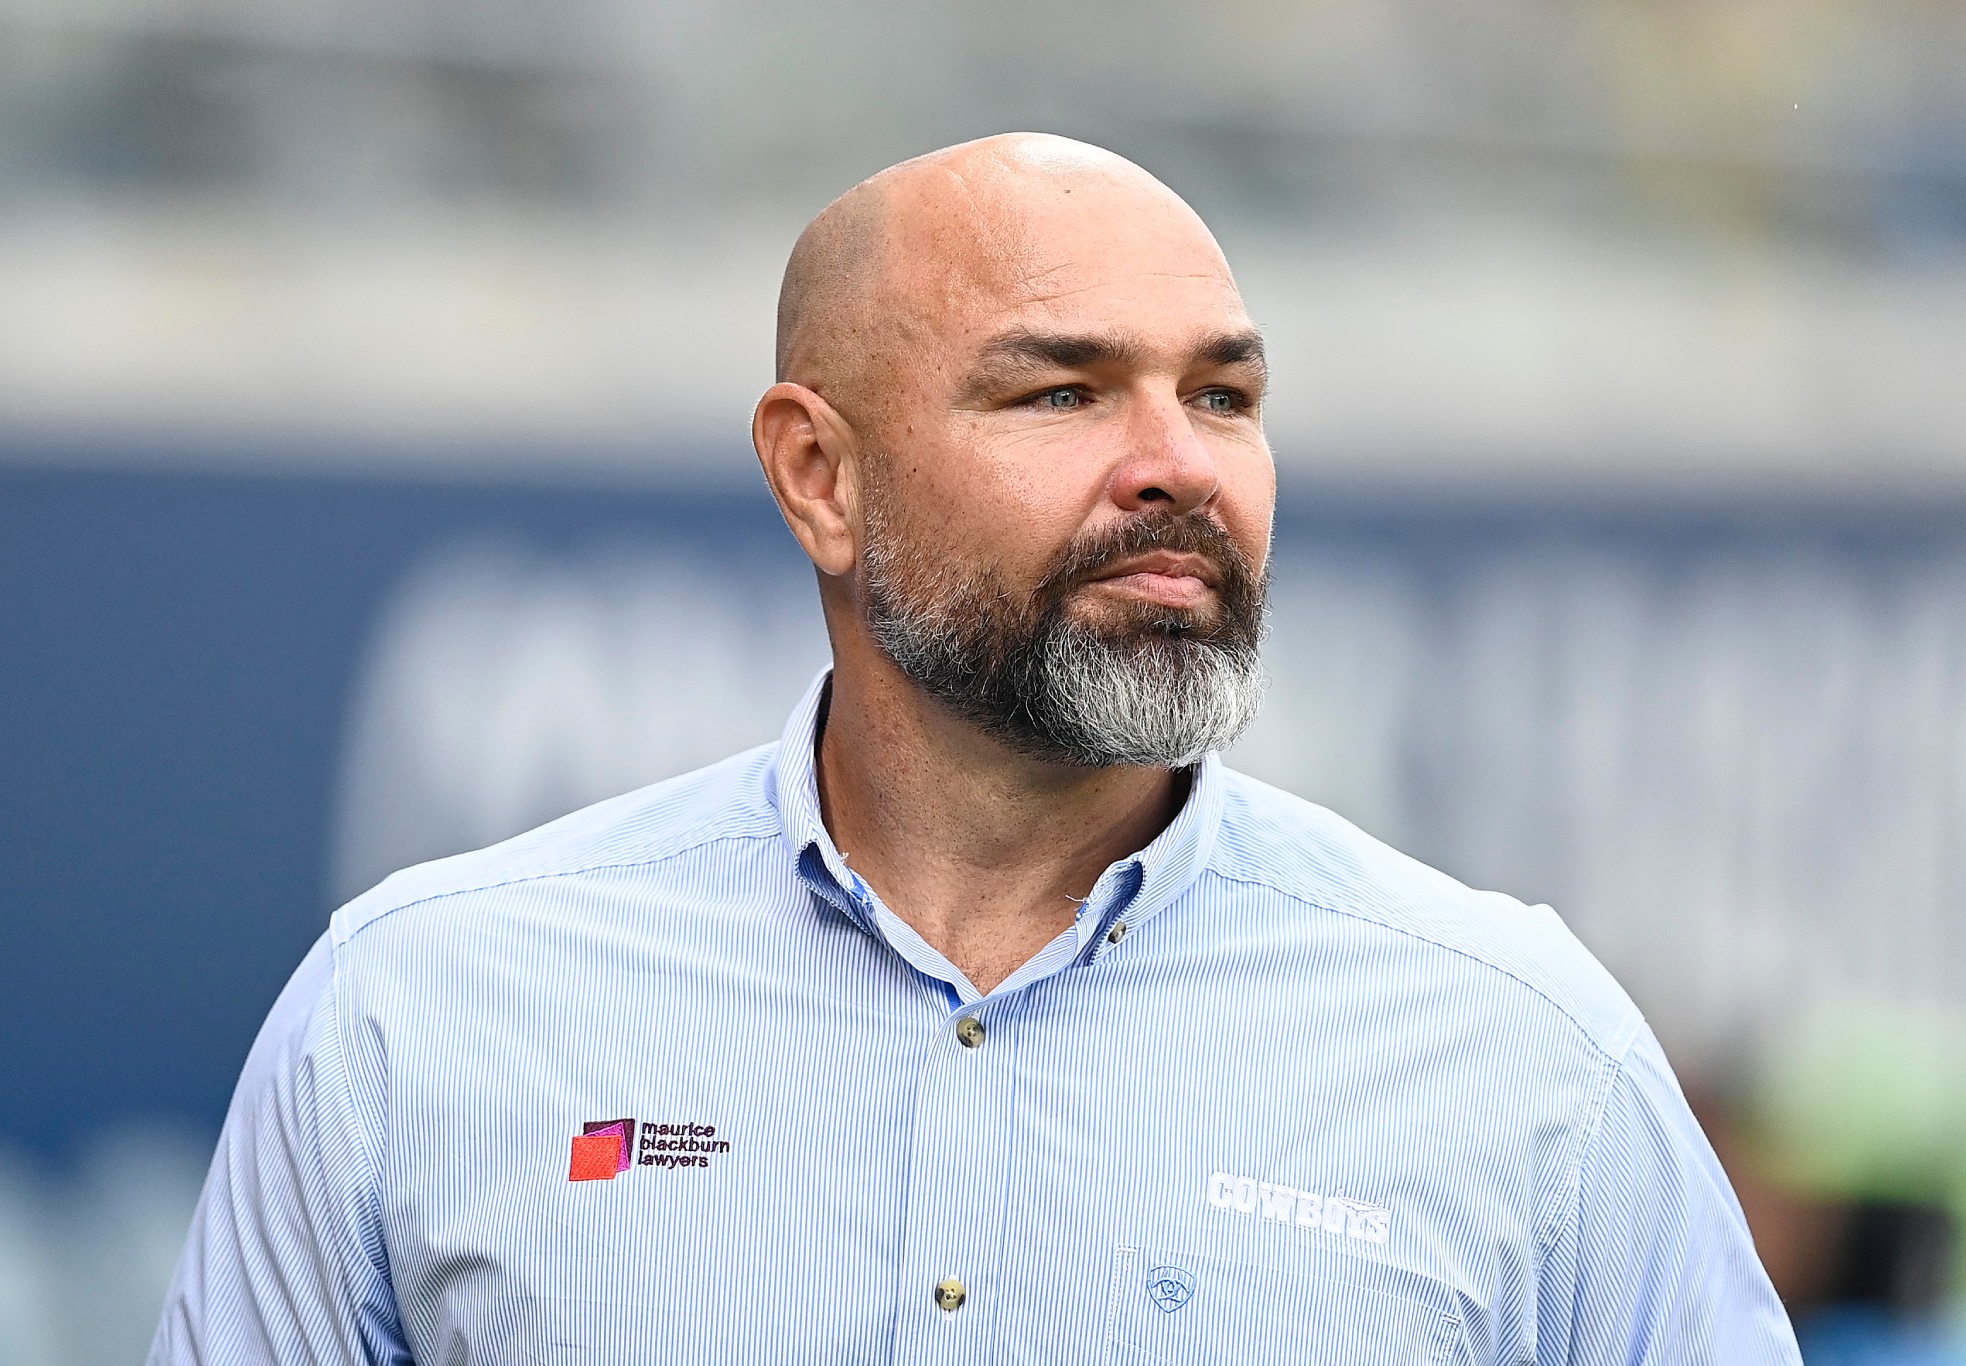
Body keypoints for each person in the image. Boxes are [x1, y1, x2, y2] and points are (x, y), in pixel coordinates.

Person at [151, 133, 1801, 1363]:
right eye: (1062, 395)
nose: (1178, 467)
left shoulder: (1523, 1051)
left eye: (1222, 397)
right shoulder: (413, 1014)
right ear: (821, 477)